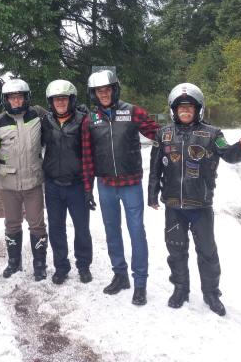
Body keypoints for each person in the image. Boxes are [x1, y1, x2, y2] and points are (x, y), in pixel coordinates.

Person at [147, 82, 241, 316]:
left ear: (198, 110)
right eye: (181, 108)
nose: (185, 112)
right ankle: (180, 289)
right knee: (175, 249)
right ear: (173, 110)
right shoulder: (163, 133)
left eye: (190, 108)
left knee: (207, 251)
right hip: (173, 205)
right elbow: (155, 166)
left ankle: (211, 293)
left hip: (201, 205)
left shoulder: (213, 134)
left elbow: (229, 154)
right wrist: (152, 193)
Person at [81, 69, 159, 306]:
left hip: (131, 183)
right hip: (105, 185)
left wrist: (188, 128)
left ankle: (140, 282)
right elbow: (87, 157)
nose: (103, 94)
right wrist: (88, 188)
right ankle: (120, 275)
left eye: (107, 89)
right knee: (111, 231)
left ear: (114, 89)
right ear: (94, 94)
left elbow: (159, 133)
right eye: (98, 91)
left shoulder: (132, 111)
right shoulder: (90, 120)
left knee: (136, 231)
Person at [0, 79, 48, 280]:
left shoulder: (38, 116)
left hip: (33, 181)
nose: (16, 101)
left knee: (37, 224)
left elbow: (56, 128)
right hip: (8, 183)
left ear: (26, 98)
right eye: (12, 97)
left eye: (19, 97)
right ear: (6, 100)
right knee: (12, 223)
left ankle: (39, 264)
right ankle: (14, 262)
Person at [41, 79, 93, 285]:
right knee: (56, 227)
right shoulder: (46, 121)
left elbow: (92, 152)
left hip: (77, 184)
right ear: (50, 102)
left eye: (64, 99)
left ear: (71, 100)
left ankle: (83, 265)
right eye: (56, 99)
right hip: (53, 184)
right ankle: (61, 266)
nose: (60, 103)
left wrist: (89, 185)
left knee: (82, 227)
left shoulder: (83, 121)